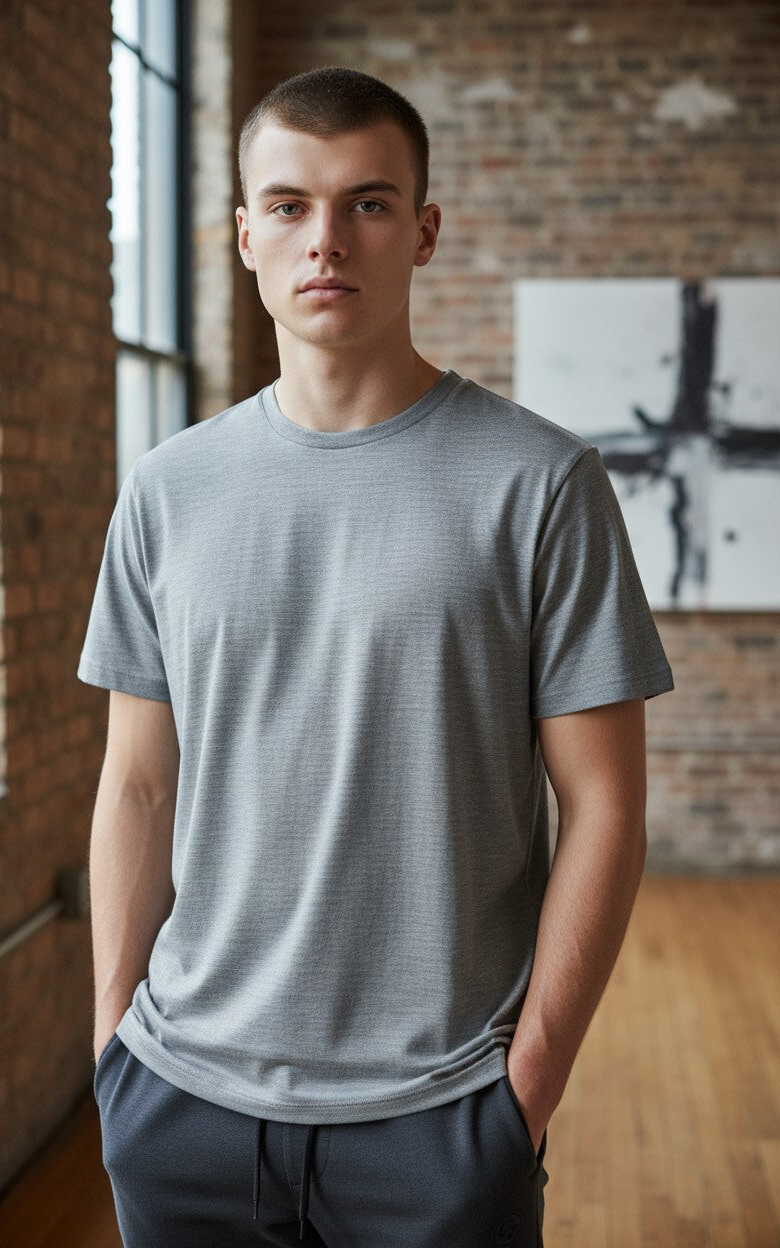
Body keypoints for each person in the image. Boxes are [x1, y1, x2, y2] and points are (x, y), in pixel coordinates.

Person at [79, 65, 674, 1248]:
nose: (326, 240)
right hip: (179, 1102)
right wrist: (112, 1051)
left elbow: (603, 804)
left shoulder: (541, 483)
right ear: (244, 235)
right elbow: (142, 783)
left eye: (367, 202)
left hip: (443, 1116)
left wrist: (528, 1085)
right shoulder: (166, 490)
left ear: (424, 231)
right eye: (290, 206)